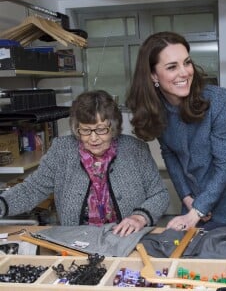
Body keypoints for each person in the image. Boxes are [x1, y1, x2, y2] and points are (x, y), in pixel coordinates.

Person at [126, 31, 226, 231]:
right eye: (172, 67)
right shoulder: (156, 109)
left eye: (187, 62)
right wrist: (187, 198)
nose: (185, 72)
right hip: (192, 200)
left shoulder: (219, 100)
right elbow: (169, 153)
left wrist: (198, 210)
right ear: (153, 75)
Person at [0, 90, 169, 236]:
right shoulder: (62, 150)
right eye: (86, 130)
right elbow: (32, 189)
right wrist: (3, 204)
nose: (93, 138)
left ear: (115, 127)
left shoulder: (135, 149)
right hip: (76, 243)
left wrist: (140, 217)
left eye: (101, 129)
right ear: (76, 128)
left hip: (126, 240)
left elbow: (159, 194)